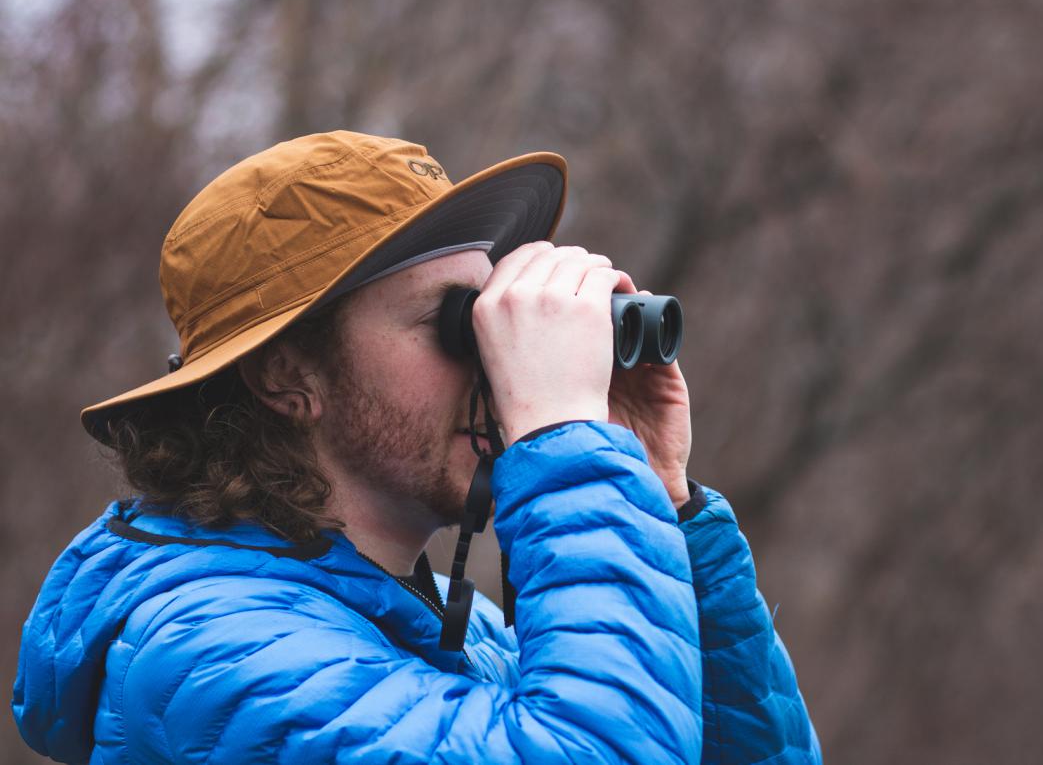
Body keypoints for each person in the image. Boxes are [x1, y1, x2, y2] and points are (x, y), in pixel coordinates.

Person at [12, 131, 821, 764]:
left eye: (493, 316)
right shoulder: (209, 652)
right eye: (456, 322)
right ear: (289, 374)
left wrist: (659, 499)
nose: (497, 361)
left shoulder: (465, 634)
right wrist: (564, 444)